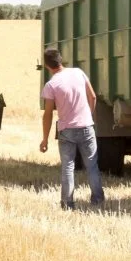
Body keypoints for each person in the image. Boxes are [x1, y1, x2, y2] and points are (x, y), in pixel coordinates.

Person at [38, 48, 104, 209]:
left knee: (68, 167)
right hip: (86, 127)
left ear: (47, 66)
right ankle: (98, 199)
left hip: (66, 131)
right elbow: (93, 96)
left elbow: (48, 115)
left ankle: (67, 203)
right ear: (61, 60)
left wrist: (45, 139)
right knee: (92, 166)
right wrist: (88, 116)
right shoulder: (78, 72)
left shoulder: (51, 85)